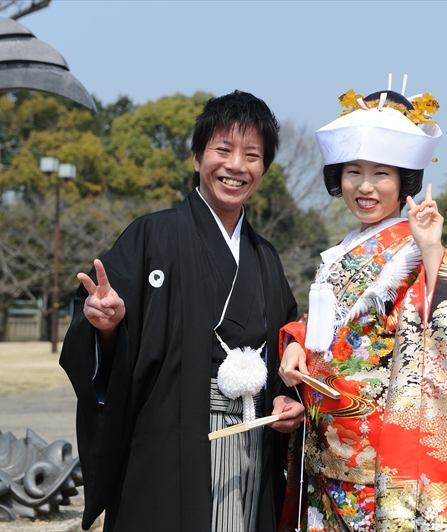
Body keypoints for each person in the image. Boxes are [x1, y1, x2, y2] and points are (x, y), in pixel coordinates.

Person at [60, 90, 305, 532]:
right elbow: (101, 332)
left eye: (252, 155)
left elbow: (288, 346)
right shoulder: (152, 236)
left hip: (251, 444)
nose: (235, 166)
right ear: (197, 157)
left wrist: (289, 400)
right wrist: (108, 324)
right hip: (167, 444)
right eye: (222, 150)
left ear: (263, 168)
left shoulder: (266, 258)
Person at [278, 87, 447, 532]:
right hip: (324, 448)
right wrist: (298, 343)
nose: (366, 186)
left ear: (405, 181)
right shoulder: (344, 249)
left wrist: (431, 248)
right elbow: (330, 327)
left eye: (381, 173)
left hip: (378, 453)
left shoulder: (412, 251)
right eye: (353, 171)